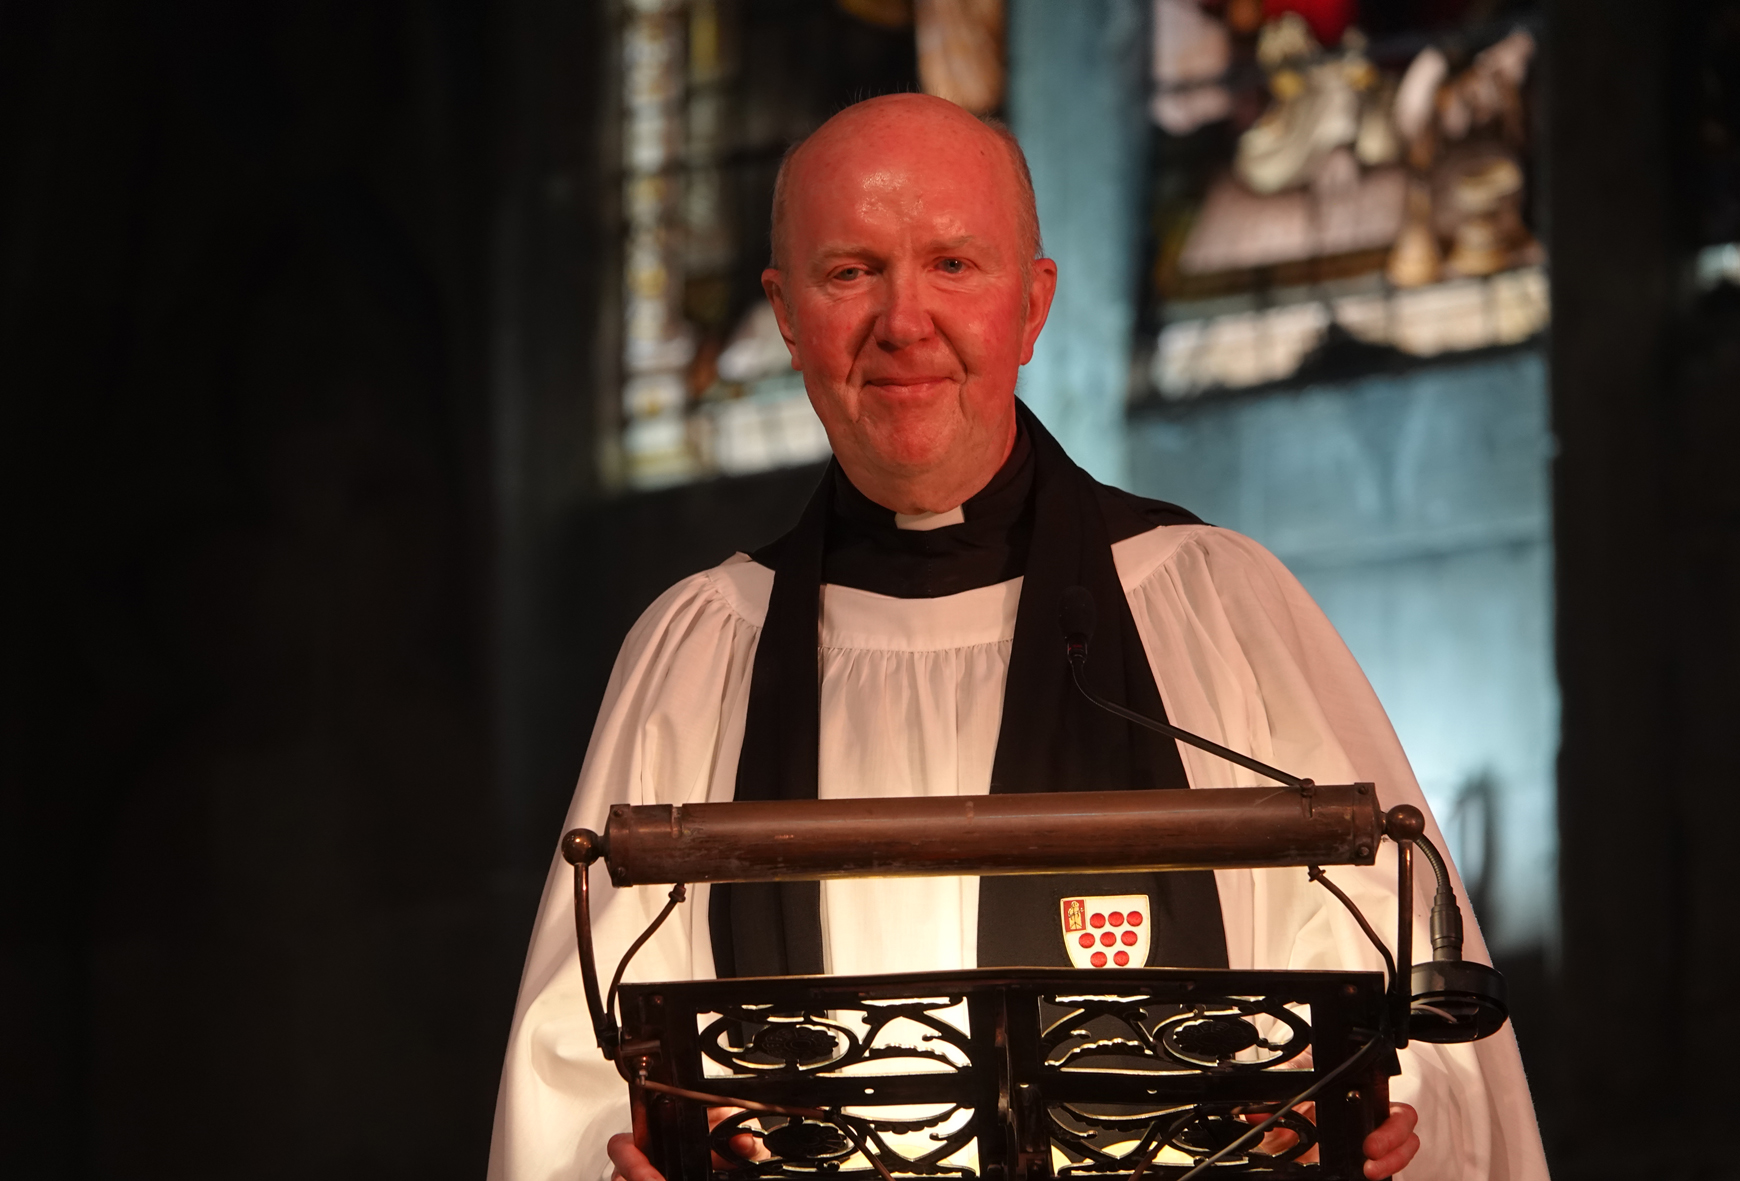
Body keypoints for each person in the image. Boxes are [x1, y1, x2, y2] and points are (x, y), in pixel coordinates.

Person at [487, 94, 1547, 1181]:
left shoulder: (1212, 607)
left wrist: (1352, 1123)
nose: (903, 323)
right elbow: (576, 1081)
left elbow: (1410, 1017)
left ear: (1031, 304)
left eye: (953, 264)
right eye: (850, 271)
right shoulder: (701, 654)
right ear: (783, 314)